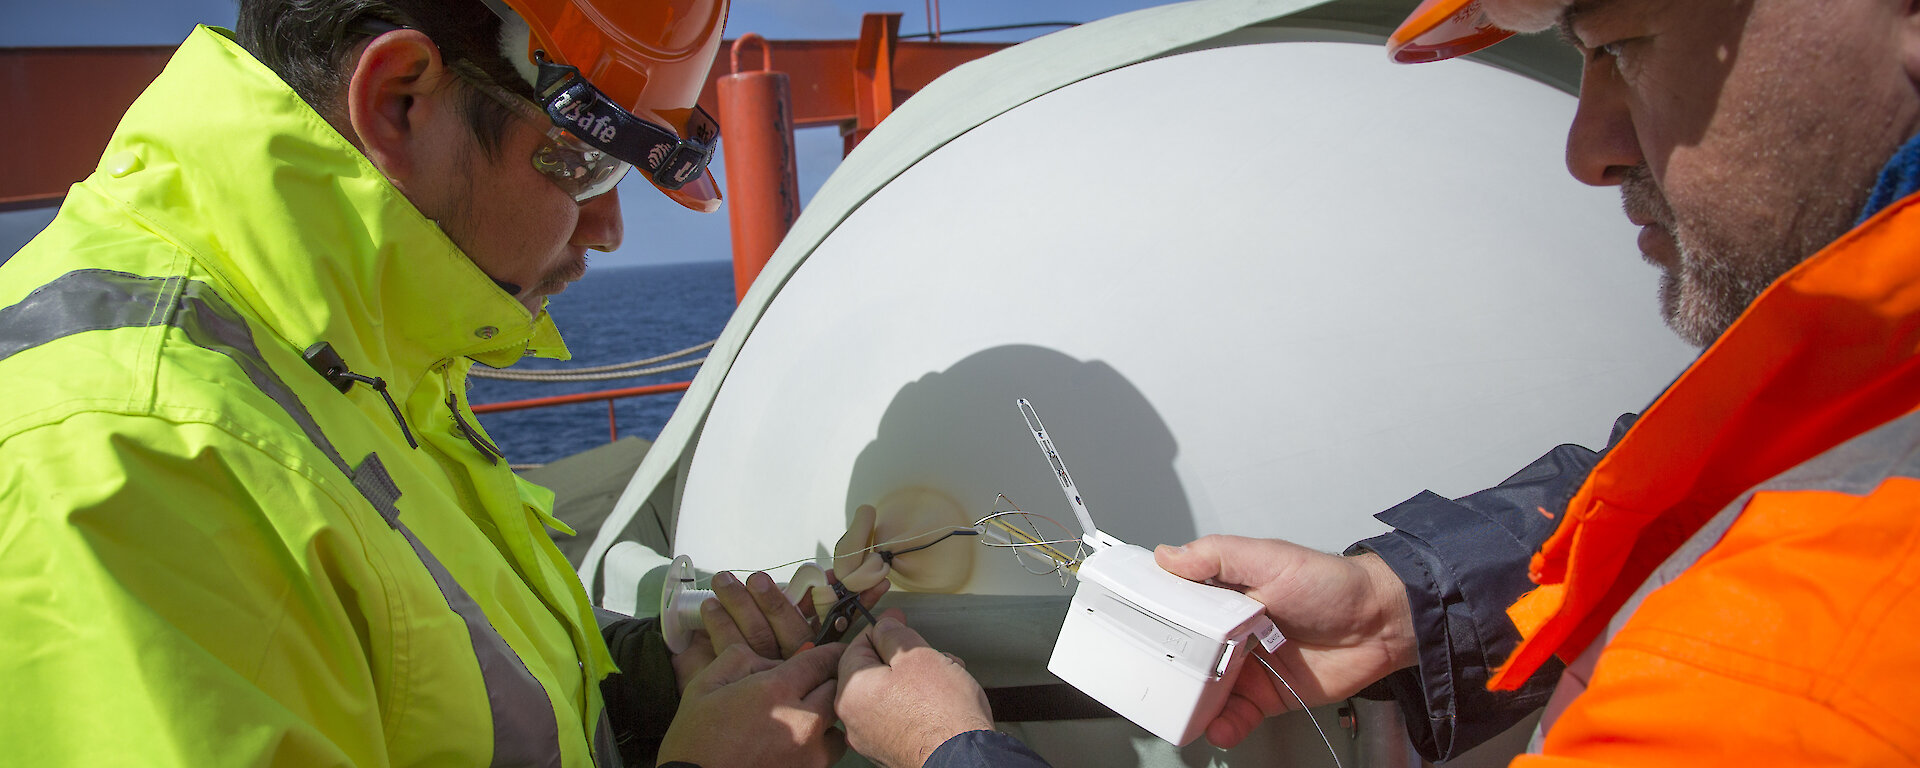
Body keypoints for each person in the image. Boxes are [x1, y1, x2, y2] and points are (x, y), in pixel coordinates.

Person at [835, 0, 1920, 764]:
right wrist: (1402, 605)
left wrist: (956, 753)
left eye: (1627, 44)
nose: (1585, 146)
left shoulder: (1782, 679)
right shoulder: (1859, 393)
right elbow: (1701, 494)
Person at [0, 0, 870, 765]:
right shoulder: (130, 463)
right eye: (588, 161)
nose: (607, 229)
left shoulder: (352, 363)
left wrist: (657, 687)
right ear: (397, 101)